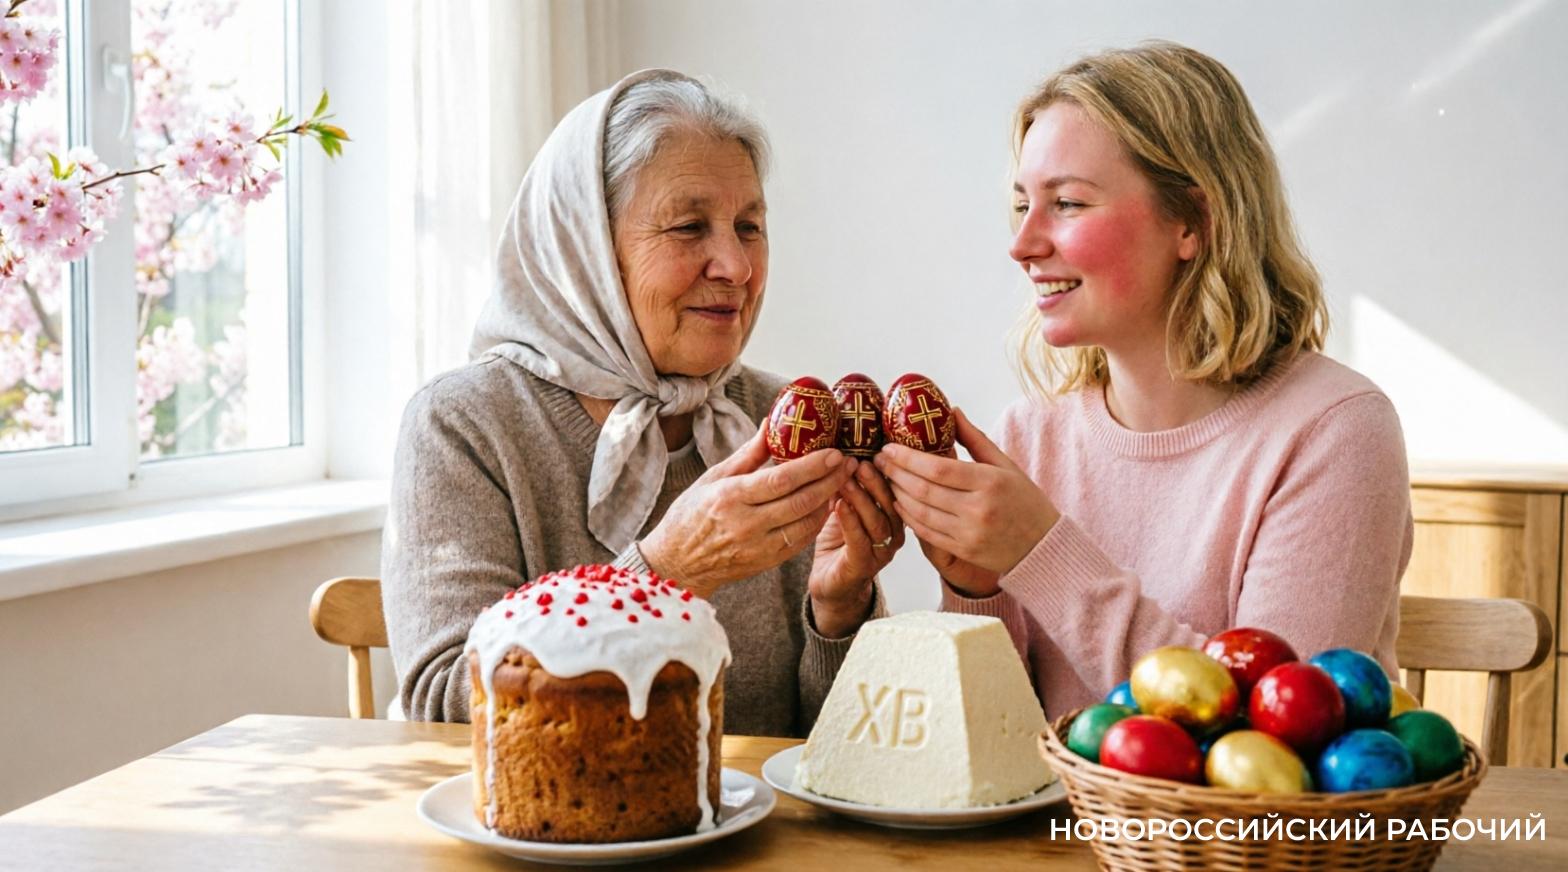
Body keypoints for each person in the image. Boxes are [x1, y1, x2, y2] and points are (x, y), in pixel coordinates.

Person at [875, 42, 1412, 719]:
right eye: (1022, 205)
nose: (1022, 244)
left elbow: (1274, 743)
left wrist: (1042, 552)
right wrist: (973, 589)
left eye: (1066, 203)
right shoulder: (1025, 437)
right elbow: (996, 756)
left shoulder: (1336, 429)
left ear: (1193, 220)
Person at [383, 69, 903, 735]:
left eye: (748, 226)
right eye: (689, 226)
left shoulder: (787, 417)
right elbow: (444, 715)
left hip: (765, 837)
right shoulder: (464, 426)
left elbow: (852, 748)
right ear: (586, 250)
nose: (737, 266)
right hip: (555, 839)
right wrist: (663, 577)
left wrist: (839, 612)